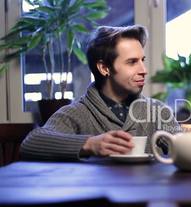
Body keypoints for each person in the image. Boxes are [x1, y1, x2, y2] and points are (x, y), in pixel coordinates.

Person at [21, 25, 180, 160]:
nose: (144, 70)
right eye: (132, 62)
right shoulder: (77, 113)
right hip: (96, 195)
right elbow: (31, 142)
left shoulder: (158, 112)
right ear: (104, 68)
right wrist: (89, 144)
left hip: (148, 194)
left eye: (142, 60)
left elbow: (183, 148)